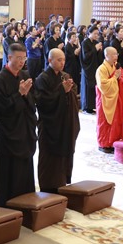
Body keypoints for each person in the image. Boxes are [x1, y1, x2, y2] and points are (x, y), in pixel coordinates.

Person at [0, 43, 36, 207]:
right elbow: (0, 108)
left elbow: (32, 102)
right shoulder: (0, 79)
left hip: (24, 130)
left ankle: (26, 204)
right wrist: (20, 94)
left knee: (25, 169)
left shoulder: (24, 75)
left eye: (24, 58)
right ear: (9, 57)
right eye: (18, 58)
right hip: (9, 132)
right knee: (9, 172)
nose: (22, 62)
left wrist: (25, 95)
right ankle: (7, 206)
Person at [35, 48, 80, 192]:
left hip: (64, 125)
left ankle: (61, 184)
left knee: (63, 157)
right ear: (50, 60)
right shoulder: (42, 78)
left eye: (64, 60)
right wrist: (62, 91)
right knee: (49, 158)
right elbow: (42, 102)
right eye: (59, 60)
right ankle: (47, 187)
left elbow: (73, 94)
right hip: (49, 126)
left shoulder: (65, 76)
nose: (62, 63)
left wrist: (68, 91)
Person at [96, 46, 123, 154]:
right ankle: (104, 144)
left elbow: (122, 78)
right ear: (106, 56)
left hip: (115, 98)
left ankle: (113, 142)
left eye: (116, 54)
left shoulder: (116, 67)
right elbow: (103, 85)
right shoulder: (101, 69)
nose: (116, 57)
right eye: (113, 54)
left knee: (115, 121)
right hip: (104, 98)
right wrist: (115, 78)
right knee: (104, 122)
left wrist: (119, 78)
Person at [80, 26, 104, 114]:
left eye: (97, 34)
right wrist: (95, 49)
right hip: (87, 69)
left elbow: (99, 57)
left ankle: (92, 106)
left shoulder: (96, 42)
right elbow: (85, 57)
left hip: (95, 68)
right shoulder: (85, 43)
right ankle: (86, 107)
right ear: (89, 33)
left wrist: (100, 51)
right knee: (87, 88)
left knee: (94, 87)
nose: (96, 35)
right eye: (95, 34)